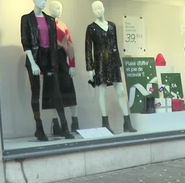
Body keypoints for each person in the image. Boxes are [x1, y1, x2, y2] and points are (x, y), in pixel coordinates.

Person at [20, 0, 73, 140]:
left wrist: (56, 63)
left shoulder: (50, 19)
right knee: (35, 93)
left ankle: (65, 127)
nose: (43, 2)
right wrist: (33, 64)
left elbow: (54, 42)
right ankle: (39, 128)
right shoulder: (26, 19)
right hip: (35, 58)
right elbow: (25, 42)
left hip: (49, 58)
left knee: (56, 93)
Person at [85, 0, 136, 133]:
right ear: (92, 11)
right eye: (95, 8)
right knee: (102, 92)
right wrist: (89, 68)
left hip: (113, 62)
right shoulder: (91, 28)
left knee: (120, 91)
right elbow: (88, 49)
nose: (99, 10)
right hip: (100, 62)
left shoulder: (112, 26)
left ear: (104, 8)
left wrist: (118, 63)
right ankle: (105, 123)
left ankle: (127, 122)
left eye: (100, 7)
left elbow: (115, 45)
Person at [48, 0, 79, 136]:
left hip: (61, 59)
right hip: (49, 60)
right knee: (54, 94)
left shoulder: (62, 25)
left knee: (69, 91)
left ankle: (75, 121)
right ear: (50, 9)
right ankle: (56, 125)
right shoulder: (44, 25)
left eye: (60, 7)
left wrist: (72, 65)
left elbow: (70, 45)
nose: (59, 9)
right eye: (56, 7)